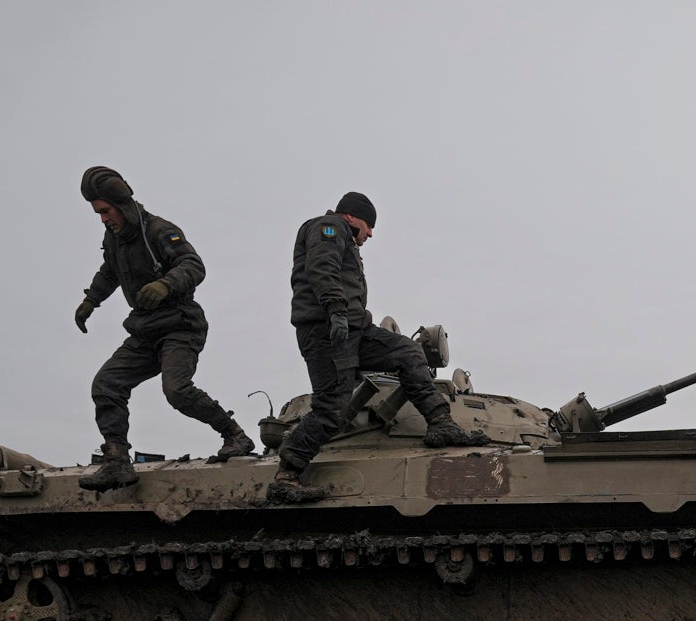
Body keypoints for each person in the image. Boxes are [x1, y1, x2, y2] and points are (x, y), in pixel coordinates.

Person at [268, 191, 487, 504]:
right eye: (368, 225)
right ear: (352, 217)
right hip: (328, 330)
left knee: (407, 352)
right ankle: (287, 474)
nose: (370, 233)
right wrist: (335, 311)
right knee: (332, 408)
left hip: (356, 329)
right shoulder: (327, 228)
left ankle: (441, 425)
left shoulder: (345, 239)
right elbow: (322, 267)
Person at [74, 165, 253, 493]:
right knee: (107, 383)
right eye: (98, 213)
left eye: (105, 211)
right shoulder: (114, 239)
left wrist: (166, 285)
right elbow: (109, 272)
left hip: (180, 326)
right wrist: (90, 301)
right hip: (145, 331)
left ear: (122, 204)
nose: (103, 219)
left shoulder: (158, 231)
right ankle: (117, 462)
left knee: (177, 390)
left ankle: (235, 435)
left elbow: (193, 265)